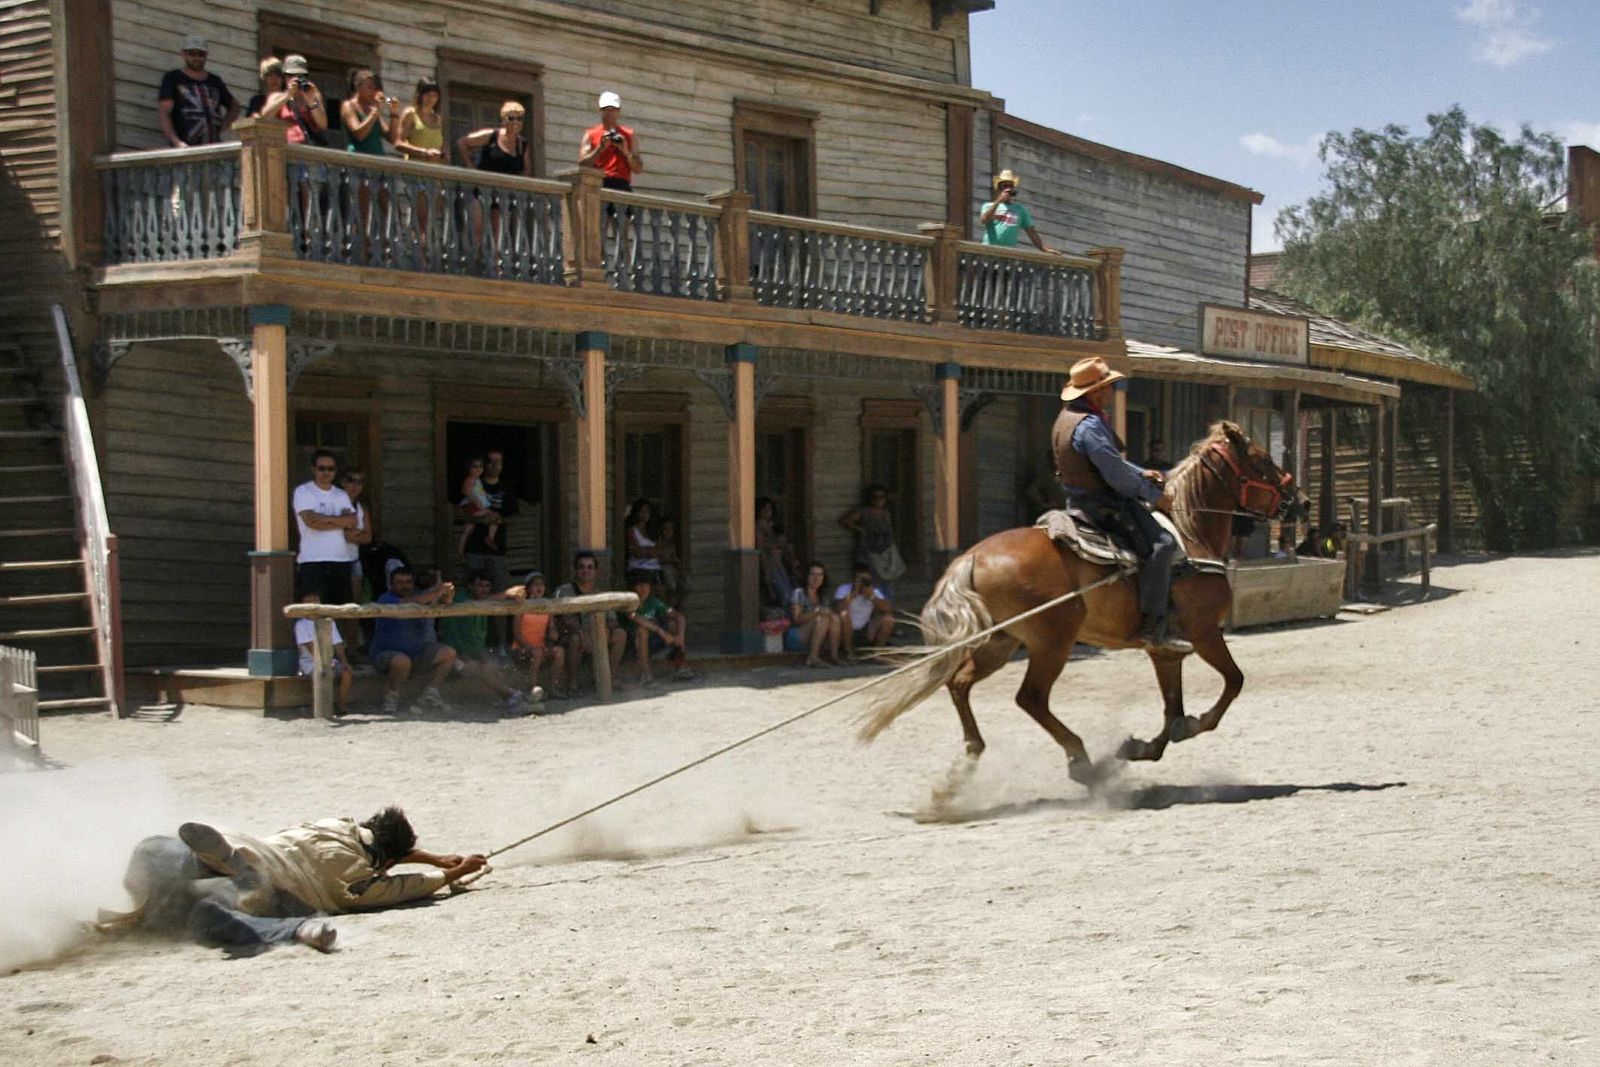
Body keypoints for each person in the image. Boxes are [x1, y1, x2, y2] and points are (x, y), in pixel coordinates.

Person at [101, 808, 487, 956]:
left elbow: (386, 855)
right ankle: (300, 930)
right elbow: (409, 886)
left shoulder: (337, 826)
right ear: (388, 859)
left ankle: (213, 861)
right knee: (210, 916)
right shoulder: (360, 879)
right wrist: (450, 871)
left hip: (255, 850)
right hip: (280, 887)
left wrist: (437, 857)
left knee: (154, 850)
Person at [1052, 356, 1189, 652]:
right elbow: (1115, 477)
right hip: (1104, 504)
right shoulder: (1090, 426)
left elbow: (1108, 463)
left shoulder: (1067, 418)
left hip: (1077, 500)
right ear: (1094, 392)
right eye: (1108, 387)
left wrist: (1141, 472)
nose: (1112, 393)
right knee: (1163, 544)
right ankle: (1153, 625)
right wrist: (1155, 495)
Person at [368, 566, 458, 715]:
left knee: (449, 653)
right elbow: (410, 602)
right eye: (400, 582)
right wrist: (436, 592)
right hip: (385, 655)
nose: (405, 585)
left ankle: (430, 694)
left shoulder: (421, 597)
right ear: (391, 584)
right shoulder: (385, 599)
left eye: (408, 582)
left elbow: (442, 602)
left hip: (417, 653)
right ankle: (391, 697)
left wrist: (447, 594)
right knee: (402, 661)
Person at [438, 570, 531, 714]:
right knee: (477, 669)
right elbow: (475, 603)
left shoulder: (488, 602)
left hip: (473, 653)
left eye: (487, 586)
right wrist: (506, 594)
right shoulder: (458, 597)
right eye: (479, 585)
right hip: (453, 655)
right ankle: (512, 696)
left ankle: (505, 697)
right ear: (469, 586)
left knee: (495, 663)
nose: (483, 589)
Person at [460, 448, 517, 652]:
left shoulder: (506, 488)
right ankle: (474, 646)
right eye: (490, 462)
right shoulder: (475, 483)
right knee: (473, 597)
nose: (494, 466)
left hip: (497, 552)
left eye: (498, 462)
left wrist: (498, 519)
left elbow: (513, 516)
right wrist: (481, 518)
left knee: (500, 597)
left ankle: (501, 645)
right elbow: (463, 511)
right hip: (475, 549)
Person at [554, 551, 627, 694]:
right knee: (576, 639)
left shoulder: (600, 594)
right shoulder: (565, 590)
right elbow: (564, 618)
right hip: (573, 635)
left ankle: (610, 678)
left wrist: (607, 629)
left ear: (596, 571)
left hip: (597, 635)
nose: (585, 570)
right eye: (581, 567)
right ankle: (572, 683)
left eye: (589, 567)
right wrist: (582, 633)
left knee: (620, 634)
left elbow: (612, 620)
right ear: (575, 570)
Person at [293, 451, 359, 608]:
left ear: (335, 471)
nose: (326, 473)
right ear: (313, 470)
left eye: (330, 469)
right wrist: (340, 522)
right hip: (313, 560)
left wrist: (325, 518)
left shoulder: (341, 494)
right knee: (315, 611)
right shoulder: (303, 491)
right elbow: (312, 523)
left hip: (341, 560)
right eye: (321, 468)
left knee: (344, 610)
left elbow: (352, 520)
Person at [158, 35, 237, 148]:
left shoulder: (214, 81)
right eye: (192, 53)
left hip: (213, 147)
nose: (196, 58)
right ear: (184, 54)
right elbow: (164, 112)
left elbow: (234, 106)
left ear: (206, 56)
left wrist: (224, 126)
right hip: (185, 147)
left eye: (201, 54)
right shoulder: (173, 78)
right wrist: (176, 142)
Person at [622, 573, 693, 685]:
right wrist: (661, 631)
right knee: (642, 631)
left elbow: (679, 616)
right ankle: (646, 672)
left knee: (673, 624)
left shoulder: (653, 602)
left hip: (652, 642)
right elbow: (635, 618)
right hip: (634, 644)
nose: (644, 589)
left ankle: (680, 665)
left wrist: (680, 638)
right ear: (633, 588)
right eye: (640, 585)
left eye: (646, 585)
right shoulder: (628, 604)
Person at [292, 589, 352, 715]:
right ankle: (321, 708)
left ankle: (342, 706)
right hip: (310, 661)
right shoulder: (301, 625)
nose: (312, 604)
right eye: (308, 601)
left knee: (346, 672)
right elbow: (311, 647)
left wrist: (344, 661)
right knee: (322, 673)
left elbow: (338, 644)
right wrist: (324, 663)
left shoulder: (329, 622)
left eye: (315, 600)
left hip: (329, 659)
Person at [509, 570, 565, 702]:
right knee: (537, 652)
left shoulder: (546, 607)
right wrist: (529, 647)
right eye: (535, 584)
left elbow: (553, 635)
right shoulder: (521, 607)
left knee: (560, 651)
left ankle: (552, 688)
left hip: (540, 647)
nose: (539, 587)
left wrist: (553, 631)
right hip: (520, 648)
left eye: (542, 584)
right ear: (528, 588)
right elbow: (516, 634)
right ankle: (532, 690)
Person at [839, 485, 904, 596]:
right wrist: (860, 530)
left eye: (882, 497)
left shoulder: (886, 513)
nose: (879, 500)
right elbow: (845, 521)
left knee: (888, 580)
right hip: (868, 551)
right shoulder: (864, 511)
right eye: (875, 497)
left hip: (885, 551)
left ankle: (887, 604)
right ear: (869, 498)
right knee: (871, 580)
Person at [252, 55, 327, 145]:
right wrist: (288, 95)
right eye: (291, 76)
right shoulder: (277, 97)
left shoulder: (314, 94)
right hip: (287, 150)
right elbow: (265, 117)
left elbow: (323, 125)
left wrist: (311, 102)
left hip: (310, 150)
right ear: (285, 77)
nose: (295, 79)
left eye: (300, 76)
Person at [979, 169, 1058, 254]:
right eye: (1005, 186)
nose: (1008, 189)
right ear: (999, 189)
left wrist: (1043, 248)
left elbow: (1031, 232)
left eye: (1010, 186)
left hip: (1008, 252)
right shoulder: (989, 206)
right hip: (989, 250)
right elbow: (984, 220)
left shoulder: (1020, 210)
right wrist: (998, 201)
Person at [578, 90, 643, 191]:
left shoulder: (629, 135)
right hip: (598, 184)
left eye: (613, 109)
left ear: (619, 111)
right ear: (601, 110)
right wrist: (600, 148)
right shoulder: (591, 134)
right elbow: (582, 164)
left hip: (622, 185)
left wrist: (625, 151)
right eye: (606, 109)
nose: (610, 113)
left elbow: (638, 169)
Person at [787, 561, 842, 667]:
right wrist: (817, 612)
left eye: (820, 575)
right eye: (813, 574)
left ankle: (834, 656)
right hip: (797, 635)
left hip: (816, 636)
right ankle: (813, 658)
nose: (816, 578)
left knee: (834, 617)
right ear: (807, 576)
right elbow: (797, 620)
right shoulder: (799, 593)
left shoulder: (822, 596)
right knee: (822, 619)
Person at [834, 563, 895, 657]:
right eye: (860, 580)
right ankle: (848, 652)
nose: (863, 583)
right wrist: (852, 595)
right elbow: (837, 609)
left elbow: (888, 609)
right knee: (844, 614)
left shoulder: (874, 592)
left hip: (867, 628)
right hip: (846, 628)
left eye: (865, 580)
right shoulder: (843, 589)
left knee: (888, 620)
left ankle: (878, 654)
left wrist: (871, 597)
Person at [456, 100, 532, 175]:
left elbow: (527, 170)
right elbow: (462, 142)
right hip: (484, 184)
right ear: (503, 120)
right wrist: (470, 167)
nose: (516, 122)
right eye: (511, 118)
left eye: (519, 119)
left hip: (507, 186)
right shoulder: (492, 135)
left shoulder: (522, 144)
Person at [341, 69, 398, 156]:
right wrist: (375, 111)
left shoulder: (373, 110)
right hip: (357, 159)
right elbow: (359, 135)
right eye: (370, 88)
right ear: (358, 87)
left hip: (377, 161)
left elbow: (392, 139)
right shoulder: (349, 106)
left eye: (375, 89)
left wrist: (393, 113)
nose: (373, 92)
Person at [756, 497, 801, 606]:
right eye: (765, 509)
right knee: (784, 594)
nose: (768, 511)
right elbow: (760, 546)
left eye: (770, 508)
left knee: (789, 593)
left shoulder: (770, 525)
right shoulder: (759, 526)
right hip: (770, 565)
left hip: (778, 564)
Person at [341, 468, 373, 610]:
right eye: (351, 480)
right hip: (333, 560)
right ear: (343, 482)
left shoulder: (361, 508)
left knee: (354, 607)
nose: (355, 485)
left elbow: (368, 537)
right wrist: (354, 534)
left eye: (360, 482)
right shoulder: (334, 503)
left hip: (353, 559)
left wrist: (350, 535)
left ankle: (353, 633)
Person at [457, 457, 502, 558]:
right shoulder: (470, 479)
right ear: (468, 468)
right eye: (475, 466)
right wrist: (477, 503)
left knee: (469, 528)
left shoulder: (477, 480)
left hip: (476, 507)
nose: (478, 469)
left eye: (480, 466)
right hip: (472, 506)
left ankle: (460, 550)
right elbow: (466, 491)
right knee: (495, 517)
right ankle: (490, 537)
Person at [394, 78, 446, 163]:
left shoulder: (438, 119)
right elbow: (399, 143)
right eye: (427, 95)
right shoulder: (410, 114)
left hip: (435, 171)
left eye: (434, 96)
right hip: (416, 170)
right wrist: (424, 152)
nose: (430, 99)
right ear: (419, 95)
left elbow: (440, 147)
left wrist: (443, 155)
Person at [622, 498, 663, 586]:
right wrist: (652, 551)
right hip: (638, 569)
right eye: (641, 511)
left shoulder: (654, 531)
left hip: (655, 568)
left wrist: (644, 550)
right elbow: (637, 553)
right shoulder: (632, 530)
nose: (644, 514)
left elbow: (660, 551)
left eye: (647, 511)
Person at [654, 516, 687, 610]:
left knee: (685, 587)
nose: (669, 531)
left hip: (673, 569)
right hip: (662, 569)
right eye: (665, 529)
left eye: (671, 529)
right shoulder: (657, 543)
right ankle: (668, 610)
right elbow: (656, 559)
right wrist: (670, 560)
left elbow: (675, 558)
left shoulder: (672, 544)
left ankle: (676, 609)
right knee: (671, 588)